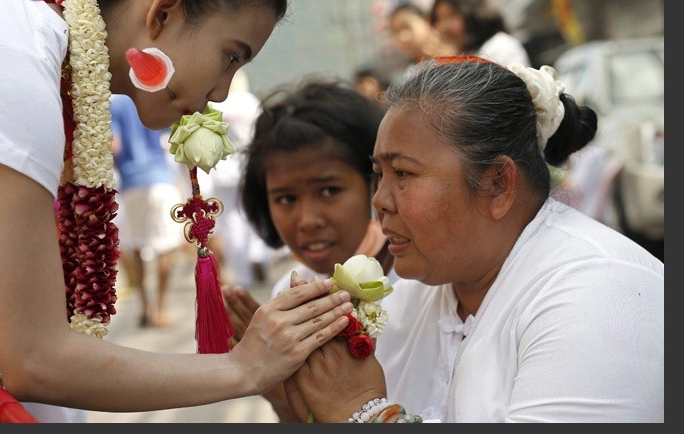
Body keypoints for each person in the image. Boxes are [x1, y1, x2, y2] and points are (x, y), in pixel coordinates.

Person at [0, 0, 354, 420]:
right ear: (163, 11)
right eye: (231, 56)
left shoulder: (41, 58)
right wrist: (248, 368)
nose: (220, 92)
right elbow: (34, 360)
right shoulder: (18, 63)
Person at [281, 57, 664, 423]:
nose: (379, 200)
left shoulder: (599, 291)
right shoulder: (418, 298)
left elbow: (357, 408)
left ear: (498, 184)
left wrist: (360, 410)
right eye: (379, 174)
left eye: (403, 173)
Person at [221, 80, 400, 421]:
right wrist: (277, 391)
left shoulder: (416, 284)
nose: (308, 220)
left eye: (330, 190)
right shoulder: (287, 295)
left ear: (374, 183)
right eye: (286, 199)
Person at [110, 93, 184, 328]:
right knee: (166, 247)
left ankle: (144, 308)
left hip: (131, 182)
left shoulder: (115, 103)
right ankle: (160, 309)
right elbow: (170, 137)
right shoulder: (151, 97)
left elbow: (114, 145)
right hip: (160, 178)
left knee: (138, 246)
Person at [209, 69, 277, 289]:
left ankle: (243, 274)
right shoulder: (249, 103)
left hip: (221, 171)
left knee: (231, 223)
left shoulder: (213, 107)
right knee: (254, 212)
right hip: (248, 167)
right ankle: (258, 255)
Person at [430, 0, 532, 67]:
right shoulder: (459, 54)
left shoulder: (500, 46)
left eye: (451, 16)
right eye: (438, 19)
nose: (443, 27)